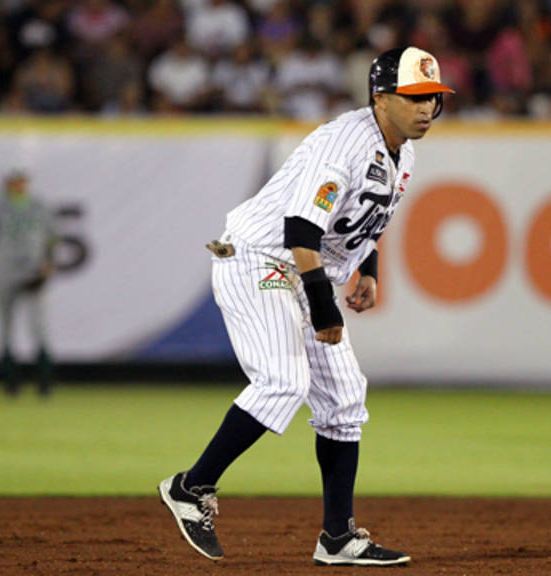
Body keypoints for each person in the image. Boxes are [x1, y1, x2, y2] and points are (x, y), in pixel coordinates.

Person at [158, 46, 454, 566]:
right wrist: (324, 306)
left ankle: (337, 538)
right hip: (260, 259)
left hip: (300, 268)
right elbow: (300, 228)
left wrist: (367, 270)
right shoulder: (346, 143)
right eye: (413, 96)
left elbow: (362, 222)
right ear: (380, 99)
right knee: (283, 381)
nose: (426, 107)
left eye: (432, 96)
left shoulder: (403, 152)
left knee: (344, 401)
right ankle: (190, 487)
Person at [0, 169, 57, 396]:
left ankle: (44, 382)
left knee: (38, 326)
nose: (20, 186)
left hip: (32, 271)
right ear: (7, 184)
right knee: (6, 327)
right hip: (6, 272)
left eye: (22, 182)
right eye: (15, 182)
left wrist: (49, 264)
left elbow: (52, 239)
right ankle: (11, 382)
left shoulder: (39, 207)